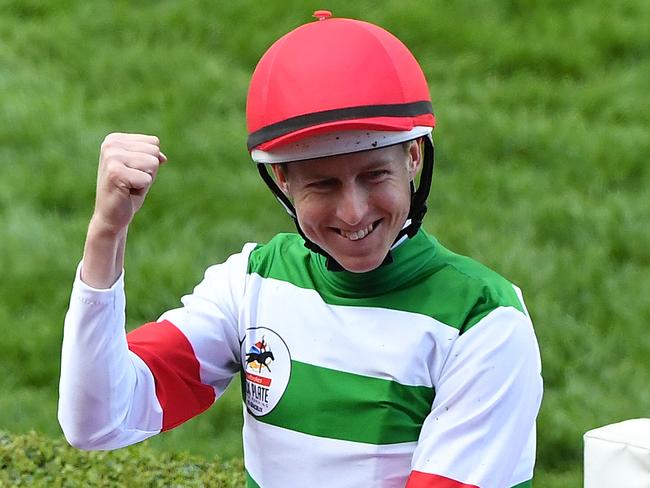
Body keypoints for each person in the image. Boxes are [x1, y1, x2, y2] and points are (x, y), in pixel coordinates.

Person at [59, 10, 543, 488]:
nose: (353, 212)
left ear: (413, 157)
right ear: (283, 180)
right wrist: (106, 233)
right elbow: (100, 421)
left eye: (374, 175)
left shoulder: (485, 321)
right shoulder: (252, 282)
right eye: (323, 185)